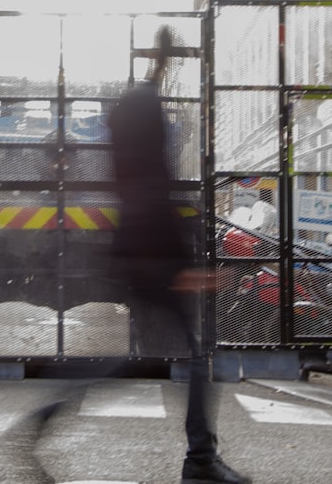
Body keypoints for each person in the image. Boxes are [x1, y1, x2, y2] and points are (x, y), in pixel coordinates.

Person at [107, 26, 250, 484]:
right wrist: (182, 266)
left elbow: (141, 184)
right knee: (195, 353)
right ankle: (200, 461)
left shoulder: (130, 109)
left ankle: (201, 459)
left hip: (137, 247)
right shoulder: (146, 113)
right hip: (153, 250)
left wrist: (160, 64)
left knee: (180, 352)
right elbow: (154, 189)